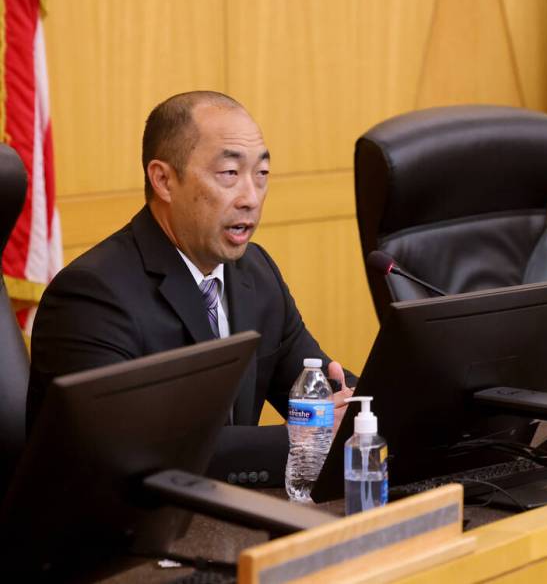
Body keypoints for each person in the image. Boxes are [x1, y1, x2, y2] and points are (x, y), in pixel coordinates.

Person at [27, 91, 356, 485]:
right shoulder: (91, 296)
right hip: (110, 535)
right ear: (164, 179)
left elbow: (319, 388)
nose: (251, 197)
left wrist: (364, 413)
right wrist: (304, 440)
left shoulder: (256, 273)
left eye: (262, 174)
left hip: (218, 518)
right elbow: (133, 452)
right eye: (229, 174)